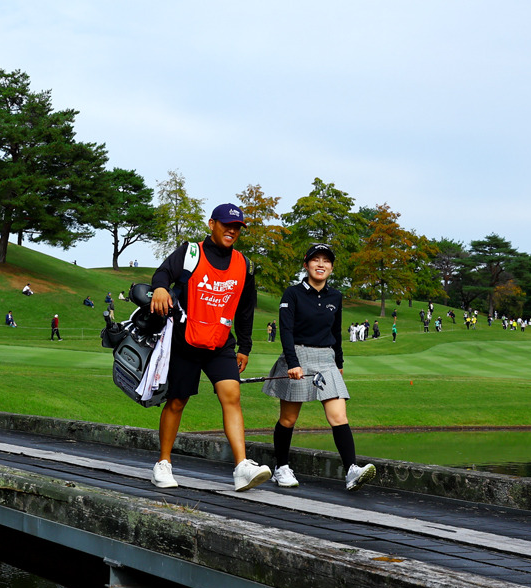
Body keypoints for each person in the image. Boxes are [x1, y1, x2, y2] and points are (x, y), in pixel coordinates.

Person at [148, 203, 271, 493]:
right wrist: (161, 288)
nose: (232, 230)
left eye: (237, 227)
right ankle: (163, 464)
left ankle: (241, 467)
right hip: (185, 340)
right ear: (211, 224)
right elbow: (162, 274)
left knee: (232, 396)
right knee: (177, 401)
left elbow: (245, 310)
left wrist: (245, 346)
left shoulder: (244, 264)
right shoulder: (191, 252)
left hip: (220, 343)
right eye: (227, 224)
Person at [262, 244, 377, 492]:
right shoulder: (292, 294)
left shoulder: (335, 297)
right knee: (288, 418)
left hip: (326, 359)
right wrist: (293, 363)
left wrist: (340, 363)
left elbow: (336, 333)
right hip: (298, 356)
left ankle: (351, 471)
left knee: (339, 417)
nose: (321, 264)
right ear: (306, 265)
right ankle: (281, 467)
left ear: (332, 267)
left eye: (326, 261)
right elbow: (286, 330)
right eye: (316, 260)